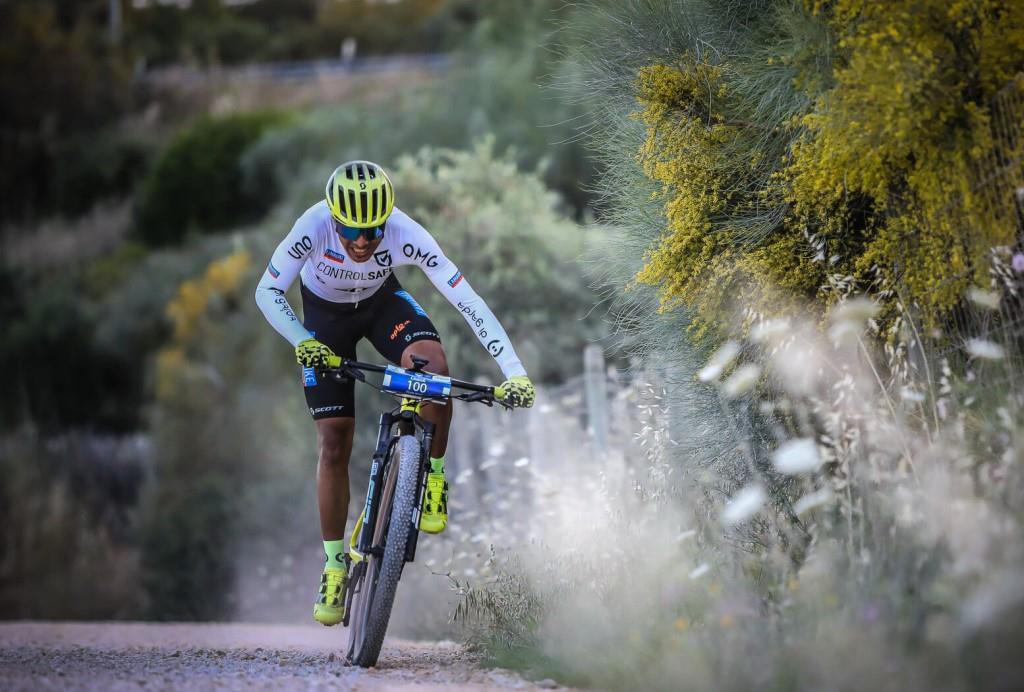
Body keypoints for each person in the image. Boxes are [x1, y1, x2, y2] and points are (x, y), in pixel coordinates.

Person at [254, 160, 535, 626]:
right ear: (333, 218)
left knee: (436, 371)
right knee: (335, 440)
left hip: (384, 306)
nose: (363, 241)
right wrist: (303, 341)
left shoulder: (406, 232)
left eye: (374, 230)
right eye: (351, 231)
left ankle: (435, 476)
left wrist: (514, 371)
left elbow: (466, 299)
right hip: (325, 321)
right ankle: (333, 563)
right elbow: (267, 292)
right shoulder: (312, 226)